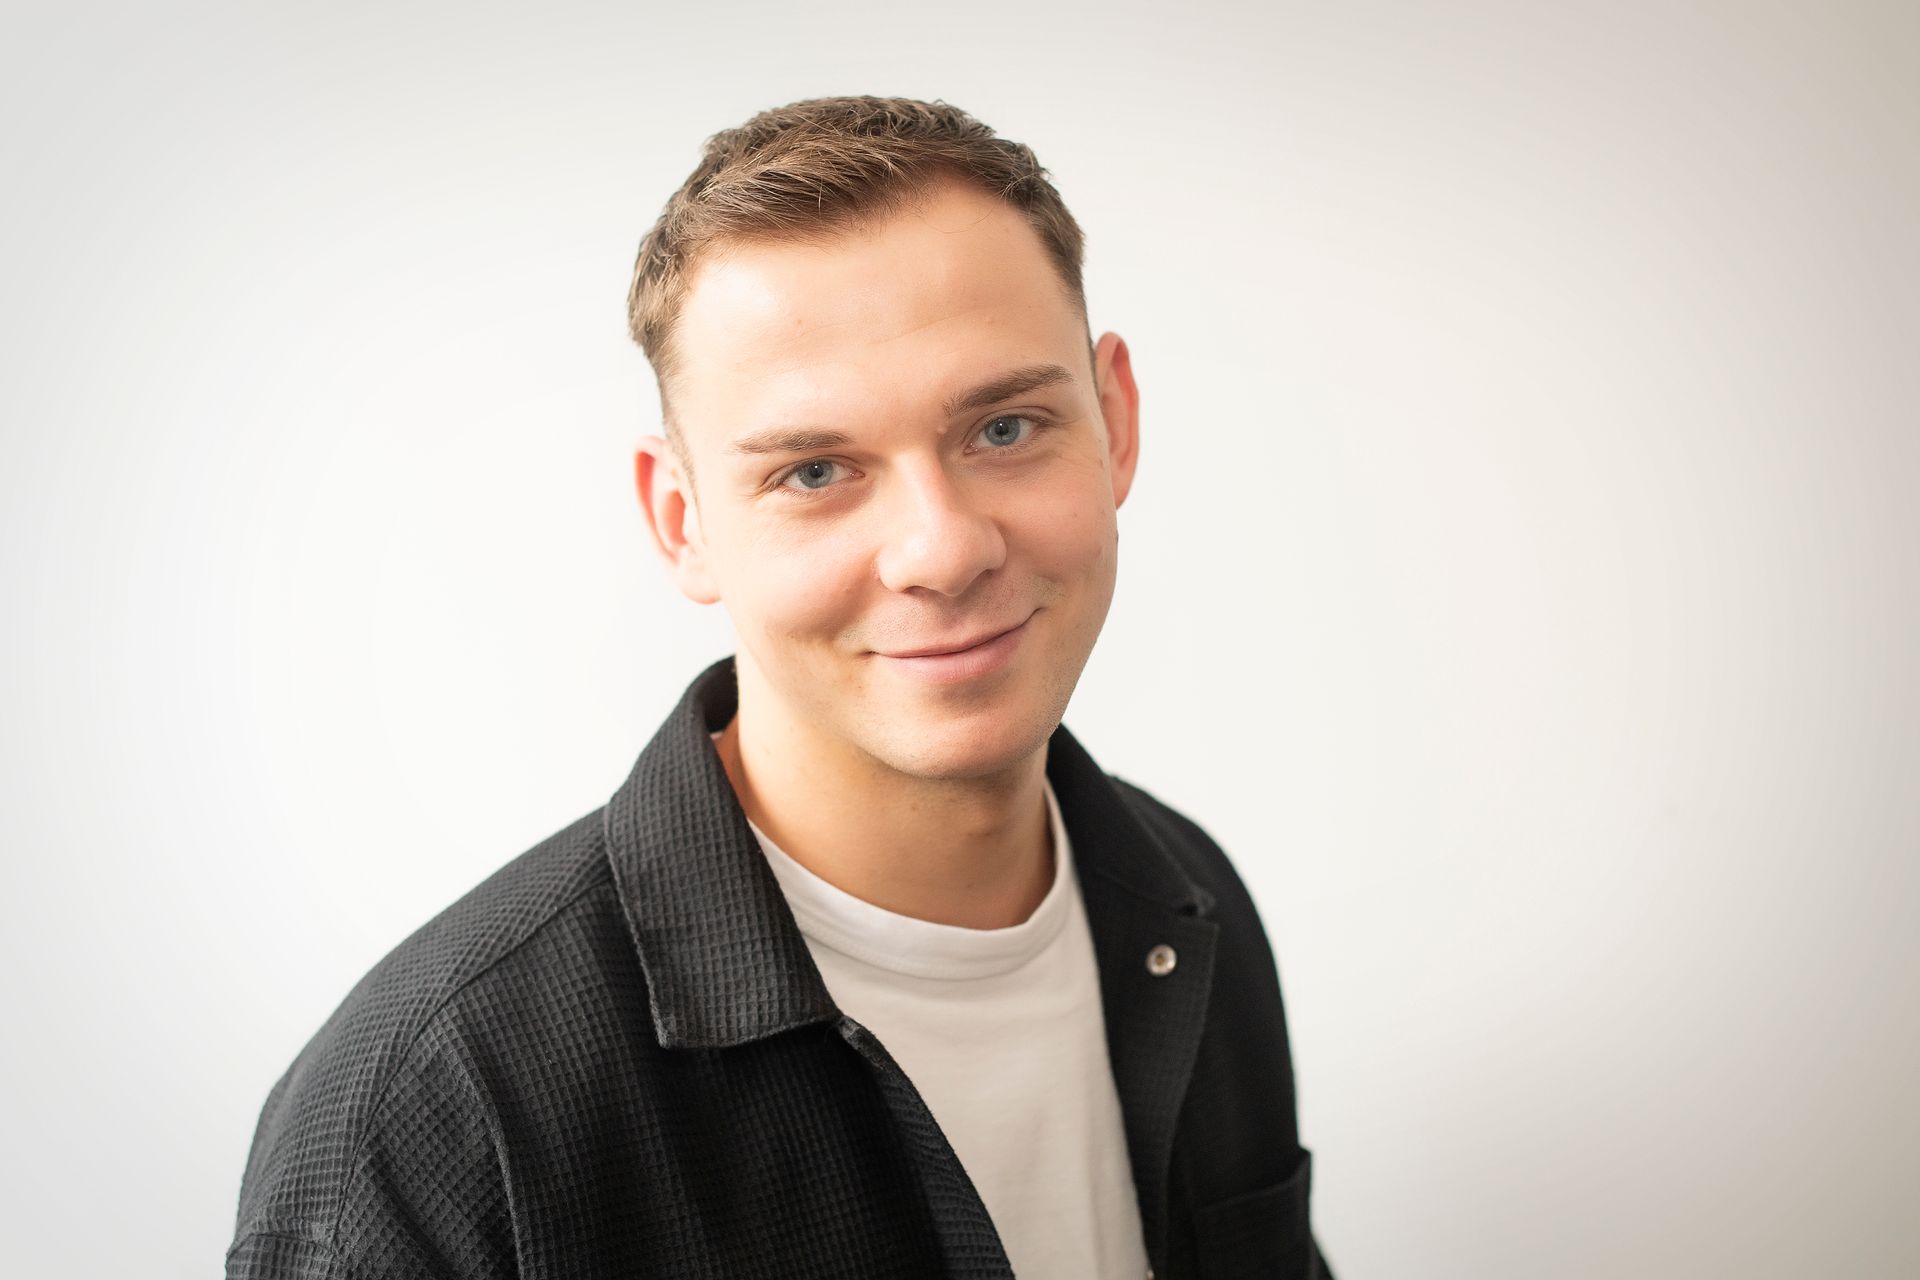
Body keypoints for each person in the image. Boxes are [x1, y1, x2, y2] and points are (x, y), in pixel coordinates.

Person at [227, 94, 1333, 1280]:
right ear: (682, 519)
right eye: (814, 470)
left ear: (1114, 421)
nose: (942, 549)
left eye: (1005, 428)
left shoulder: (1190, 901)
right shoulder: (430, 1114)